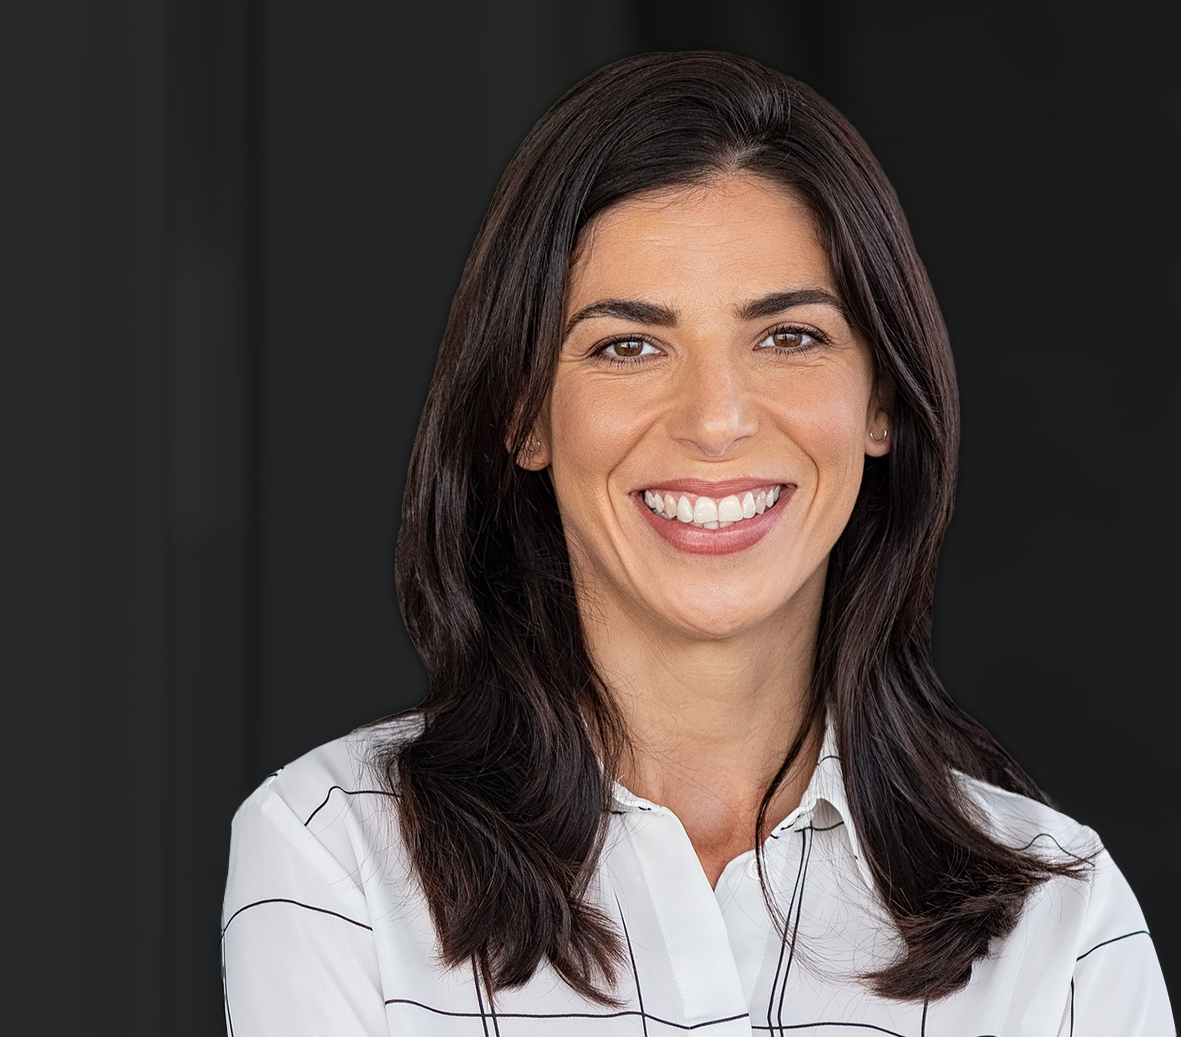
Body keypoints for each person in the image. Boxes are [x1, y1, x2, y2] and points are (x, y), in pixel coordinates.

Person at [220, 51, 1173, 1035]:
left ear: (879, 399)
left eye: (788, 336)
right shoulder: (335, 859)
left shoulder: (1058, 922)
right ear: (523, 413)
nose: (715, 420)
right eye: (627, 345)